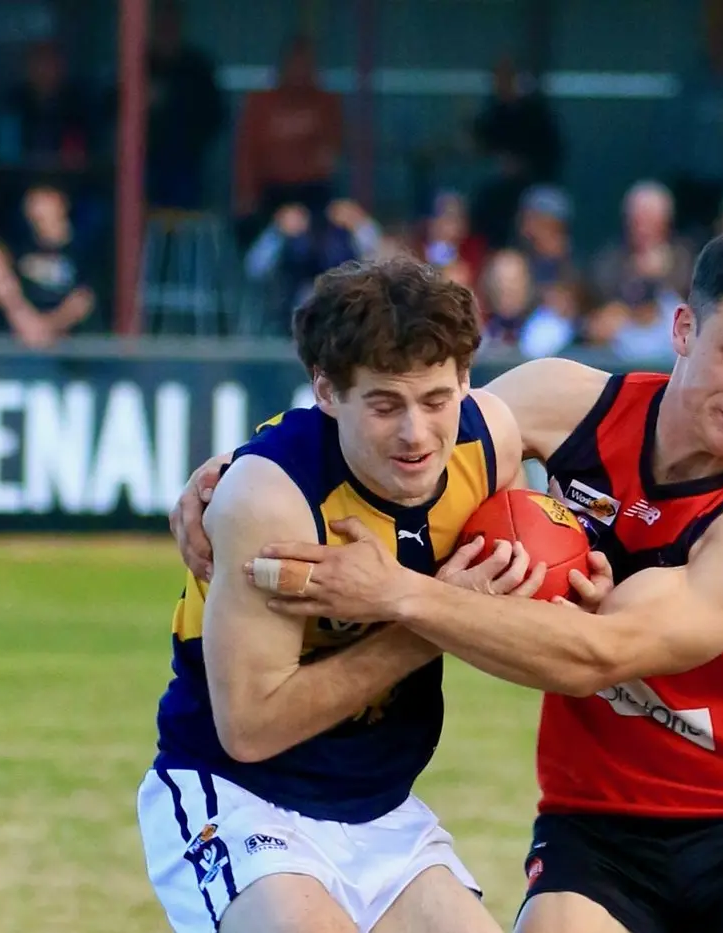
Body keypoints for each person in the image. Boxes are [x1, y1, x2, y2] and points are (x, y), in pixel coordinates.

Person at [173, 225, 723, 933]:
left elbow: (600, 652)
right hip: (599, 823)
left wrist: (400, 592)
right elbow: (410, 419)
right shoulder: (568, 402)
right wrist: (243, 473)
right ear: (684, 329)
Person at [138, 255, 546, 933]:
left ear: (466, 380)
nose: (417, 433)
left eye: (437, 400)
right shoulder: (271, 498)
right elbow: (249, 728)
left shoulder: (492, 442)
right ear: (326, 392)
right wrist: (427, 612)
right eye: (385, 404)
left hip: (381, 805)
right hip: (239, 794)